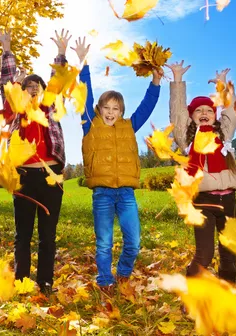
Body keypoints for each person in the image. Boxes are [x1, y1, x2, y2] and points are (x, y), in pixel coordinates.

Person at [78, 37, 162, 295]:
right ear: (99, 109)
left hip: (126, 192)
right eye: (107, 107)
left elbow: (146, 108)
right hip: (102, 192)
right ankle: (105, 281)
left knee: (134, 242)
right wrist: (83, 64)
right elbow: (85, 94)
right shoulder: (90, 123)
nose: (111, 112)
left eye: (116, 108)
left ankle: (123, 273)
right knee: (104, 243)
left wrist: (156, 83)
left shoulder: (129, 126)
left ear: (122, 111)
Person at [0, 29, 67, 296]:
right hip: (24, 177)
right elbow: (7, 79)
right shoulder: (17, 110)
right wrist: (6, 48)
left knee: (47, 235)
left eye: (37, 84)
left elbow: (58, 82)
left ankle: (45, 282)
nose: (33, 86)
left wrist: (60, 53)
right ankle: (22, 281)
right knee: (23, 234)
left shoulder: (50, 107)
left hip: (51, 177)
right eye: (28, 84)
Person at [167, 61, 236, 283]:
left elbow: (232, 112)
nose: (203, 113)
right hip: (203, 200)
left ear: (214, 114)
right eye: (198, 110)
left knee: (230, 250)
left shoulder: (223, 134)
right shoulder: (188, 138)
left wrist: (223, 88)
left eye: (208, 110)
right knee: (205, 253)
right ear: (191, 117)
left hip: (229, 199)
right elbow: (177, 113)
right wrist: (178, 80)